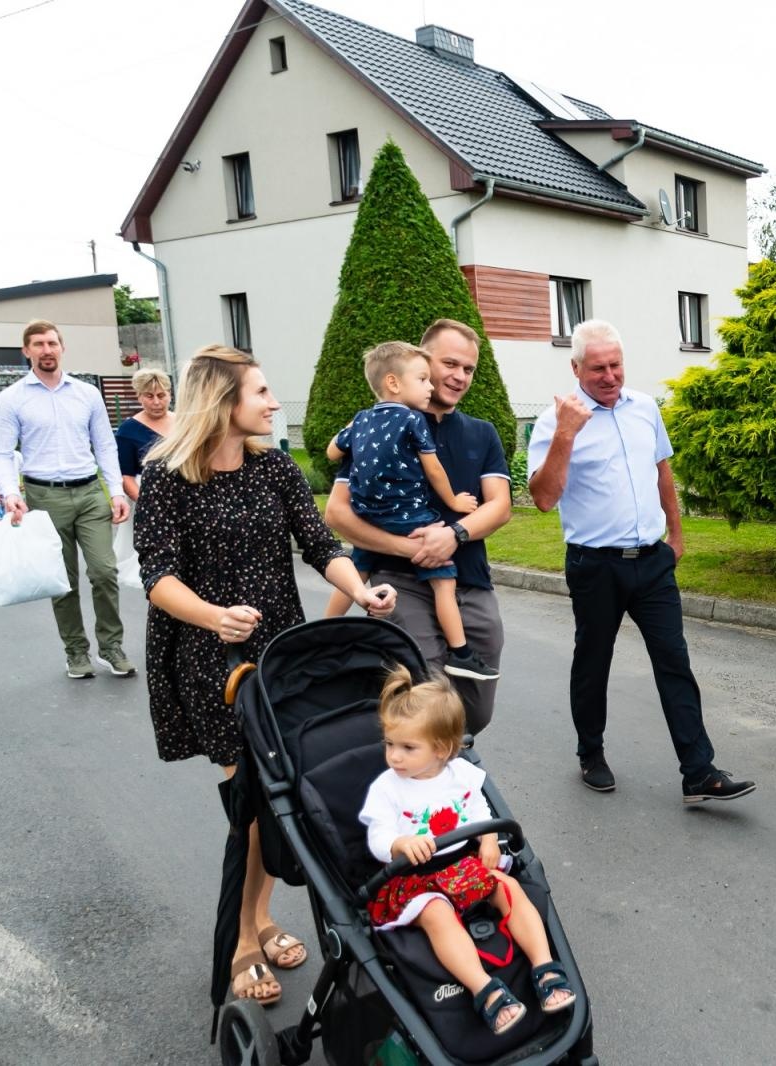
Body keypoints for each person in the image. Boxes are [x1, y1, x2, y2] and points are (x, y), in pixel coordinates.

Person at [135, 344, 397, 1007]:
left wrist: (361, 592)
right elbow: (157, 577)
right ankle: (246, 939)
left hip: (281, 652)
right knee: (251, 800)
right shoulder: (168, 477)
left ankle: (260, 916)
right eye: (261, 392)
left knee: (281, 792)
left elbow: (319, 545)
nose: (274, 402)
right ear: (223, 403)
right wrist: (214, 616)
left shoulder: (274, 467)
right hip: (213, 659)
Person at [526, 319, 755, 804]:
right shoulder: (553, 422)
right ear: (575, 367)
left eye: (616, 365)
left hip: (652, 562)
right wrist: (567, 434)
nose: (610, 376)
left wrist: (676, 532)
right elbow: (544, 499)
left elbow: (661, 470)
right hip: (595, 565)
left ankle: (699, 771)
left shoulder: (645, 408)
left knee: (675, 661)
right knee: (593, 662)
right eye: (597, 368)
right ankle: (591, 752)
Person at [360, 664, 575, 1035]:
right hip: (416, 880)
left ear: (442, 749)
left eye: (407, 747)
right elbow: (377, 837)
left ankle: (545, 969)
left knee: (509, 888)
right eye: (390, 744)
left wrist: (489, 839)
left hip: (461, 866)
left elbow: (479, 810)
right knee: (437, 913)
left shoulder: (460, 775)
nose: (394, 756)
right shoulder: (387, 788)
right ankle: (485, 990)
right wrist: (400, 842)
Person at [326, 320, 511, 735]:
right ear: (421, 362)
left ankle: (442, 766)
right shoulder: (378, 428)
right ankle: (421, 785)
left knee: (475, 714)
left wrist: (453, 534)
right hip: (401, 581)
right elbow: (337, 514)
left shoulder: (482, 434)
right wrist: (406, 548)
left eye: (469, 369)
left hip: (471, 581)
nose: (459, 376)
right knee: (427, 701)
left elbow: (499, 507)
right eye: (449, 364)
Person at [0, 320, 133, 678]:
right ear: (27, 351)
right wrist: (10, 492)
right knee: (62, 580)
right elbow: (3, 453)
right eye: (38, 344)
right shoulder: (12, 398)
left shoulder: (86, 394)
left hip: (89, 492)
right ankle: (76, 652)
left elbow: (104, 445)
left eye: (52, 343)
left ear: (62, 347)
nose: (46, 350)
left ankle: (111, 646)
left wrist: (115, 491)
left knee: (104, 570)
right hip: (43, 496)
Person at [114, 367, 173, 501]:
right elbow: (126, 476)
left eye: (161, 395)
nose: (156, 402)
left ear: (170, 394)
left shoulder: (183, 423)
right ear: (139, 396)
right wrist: (147, 505)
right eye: (149, 396)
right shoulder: (127, 430)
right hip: (148, 495)